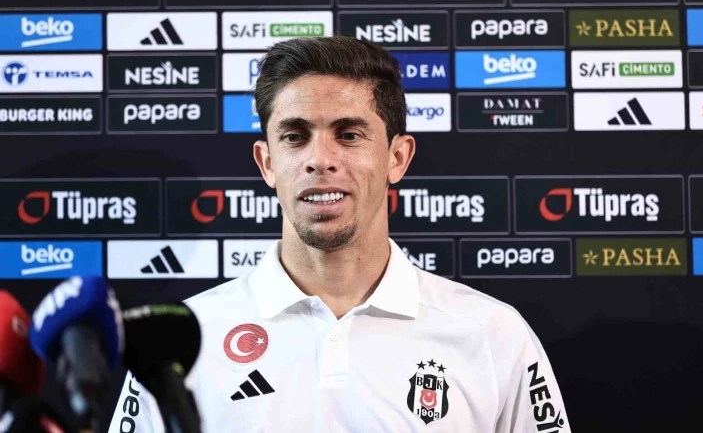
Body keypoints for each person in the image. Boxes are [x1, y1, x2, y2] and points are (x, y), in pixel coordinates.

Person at [108, 36, 571, 433]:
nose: (319, 160)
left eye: (348, 135)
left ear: (397, 158)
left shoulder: (492, 333)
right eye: (295, 136)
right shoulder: (177, 346)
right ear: (267, 163)